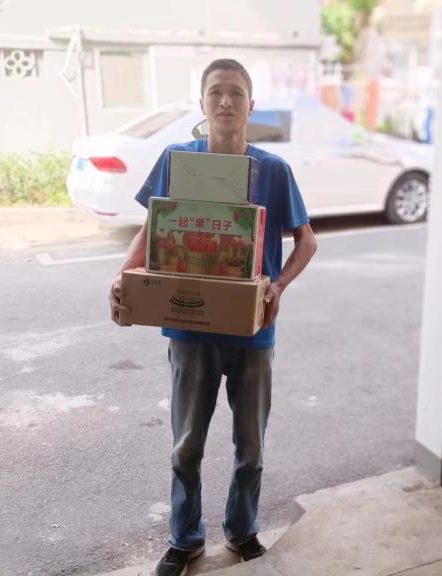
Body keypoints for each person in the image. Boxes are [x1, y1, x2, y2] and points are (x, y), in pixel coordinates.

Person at [109, 58, 317, 576]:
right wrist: (124, 276)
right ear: (201, 103)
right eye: (216, 92)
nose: (226, 101)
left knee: (252, 447)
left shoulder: (272, 171)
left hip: (252, 332)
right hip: (190, 326)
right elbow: (153, 228)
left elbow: (307, 242)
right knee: (186, 446)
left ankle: (242, 532)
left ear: (251, 105)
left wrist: (278, 286)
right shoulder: (176, 160)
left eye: (236, 93)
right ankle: (185, 540)